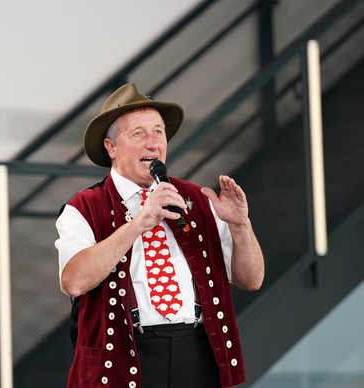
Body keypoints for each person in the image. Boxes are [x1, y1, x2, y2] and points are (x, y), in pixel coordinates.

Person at [55, 83, 264, 387]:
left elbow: (252, 279)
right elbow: (74, 281)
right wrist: (140, 222)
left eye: (158, 132)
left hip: (195, 350)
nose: (153, 144)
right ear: (111, 147)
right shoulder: (83, 207)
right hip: (124, 356)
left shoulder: (198, 198)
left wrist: (241, 226)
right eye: (138, 133)